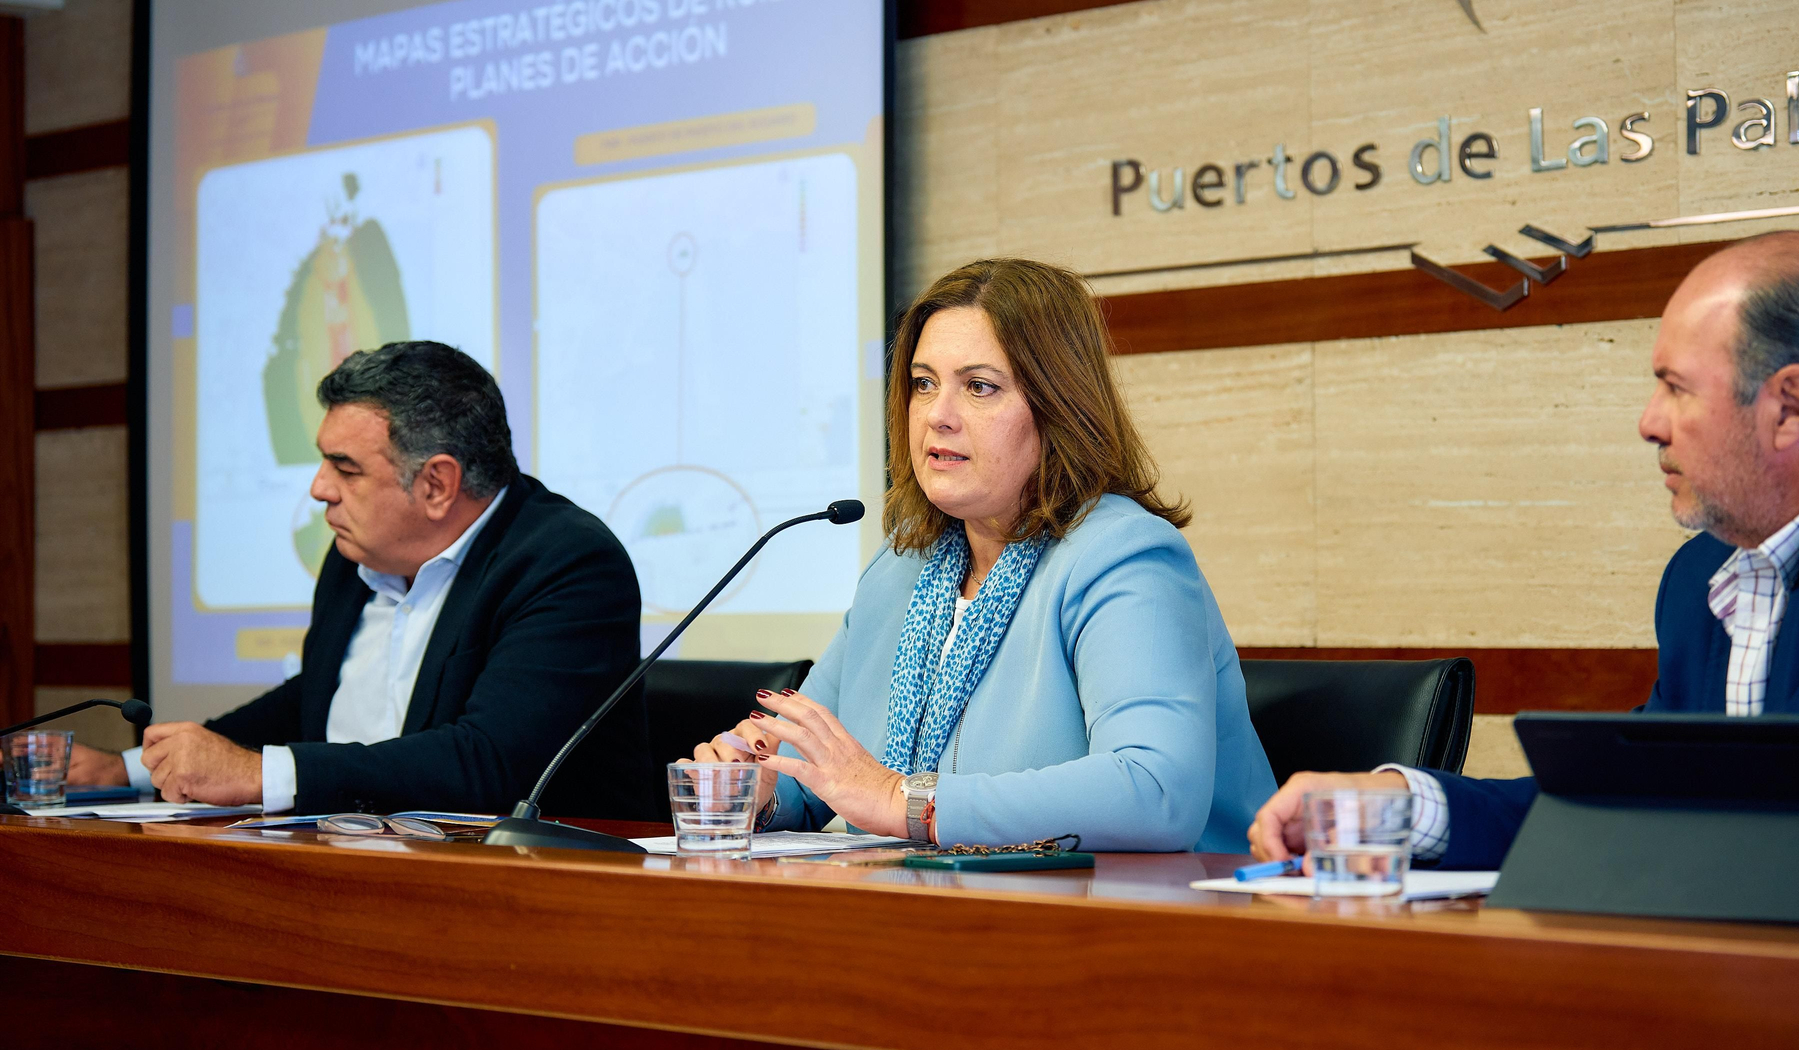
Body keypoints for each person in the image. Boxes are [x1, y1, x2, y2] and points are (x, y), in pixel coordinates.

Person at [1248, 231, 1799, 898]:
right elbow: (1634, 804)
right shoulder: (1705, 573)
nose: (1648, 422)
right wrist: (1401, 811)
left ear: (1793, 405)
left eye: (1675, 387)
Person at [694, 258, 1277, 850]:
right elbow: (825, 781)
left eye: (979, 387)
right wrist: (761, 786)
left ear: (1058, 408)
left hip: (1143, 920)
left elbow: (1155, 792)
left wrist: (905, 802)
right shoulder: (899, 571)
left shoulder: (1126, 557)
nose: (937, 417)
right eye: (923, 384)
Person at [67, 341, 655, 819]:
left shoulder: (568, 563)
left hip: (535, 900)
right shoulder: (356, 553)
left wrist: (257, 774)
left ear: (436, 484)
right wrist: (134, 770)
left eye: (345, 468)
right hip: (356, 865)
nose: (320, 489)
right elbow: (318, 697)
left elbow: (488, 763)